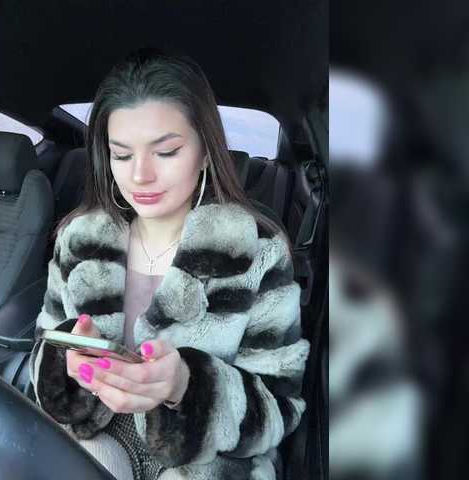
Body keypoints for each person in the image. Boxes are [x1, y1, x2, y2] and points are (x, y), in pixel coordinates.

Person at [29, 47, 308, 480]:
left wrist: (186, 387)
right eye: (122, 155)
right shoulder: (80, 240)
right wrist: (66, 364)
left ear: (205, 152)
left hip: (209, 463)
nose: (140, 175)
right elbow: (42, 351)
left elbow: (282, 408)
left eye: (166, 152)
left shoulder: (256, 252)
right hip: (100, 441)